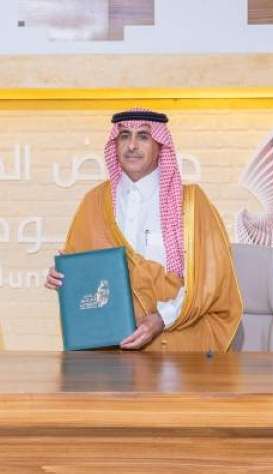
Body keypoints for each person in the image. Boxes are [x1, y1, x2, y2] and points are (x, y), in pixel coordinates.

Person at [45, 109, 243, 351]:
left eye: (143, 136)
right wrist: (63, 278)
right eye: (124, 136)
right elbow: (84, 280)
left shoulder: (191, 204)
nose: (132, 145)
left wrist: (160, 319)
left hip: (177, 340)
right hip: (110, 347)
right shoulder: (94, 202)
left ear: (160, 145)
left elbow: (209, 284)